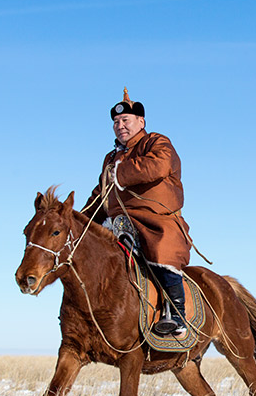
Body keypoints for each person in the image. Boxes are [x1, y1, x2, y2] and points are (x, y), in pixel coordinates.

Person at [82, 88, 192, 336]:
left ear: (140, 122)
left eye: (125, 120)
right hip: (117, 222)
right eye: (116, 122)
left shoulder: (156, 141)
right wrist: (79, 221)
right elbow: (100, 195)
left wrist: (120, 173)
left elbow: (160, 164)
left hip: (154, 220)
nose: (120, 126)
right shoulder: (111, 157)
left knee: (161, 250)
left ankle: (177, 315)